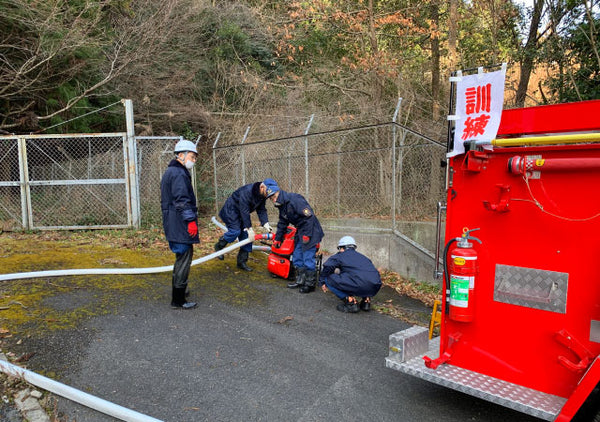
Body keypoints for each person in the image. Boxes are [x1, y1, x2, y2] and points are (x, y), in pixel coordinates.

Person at [160, 139, 200, 309]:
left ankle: (180, 292)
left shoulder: (173, 171)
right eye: (192, 156)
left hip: (174, 221)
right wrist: (190, 221)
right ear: (181, 155)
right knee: (184, 257)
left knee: (181, 257)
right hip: (180, 222)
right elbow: (182, 200)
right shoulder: (178, 173)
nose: (194, 160)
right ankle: (178, 300)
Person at [214, 178, 278, 271]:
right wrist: (249, 228)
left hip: (241, 213)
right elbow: (244, 211)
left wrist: (265, 223)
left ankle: (241, 262)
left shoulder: (263, 194)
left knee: (246, 237)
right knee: (235, 231)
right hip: (231, 211)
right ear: (262, 187)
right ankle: (219, 246)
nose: (268, 196)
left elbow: (261, 209)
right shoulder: (247, 192)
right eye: (268, 192)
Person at [269, 188, 324, 293]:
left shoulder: (295, 199)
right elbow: (282, 223)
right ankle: (300, 280)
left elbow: (309, 217)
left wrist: (307, 235)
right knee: (297, 256)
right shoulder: (282, 206)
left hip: (310, 229)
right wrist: (278, 239)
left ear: (279, 193)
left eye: (274, 197)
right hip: (300, 230)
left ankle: (310, 284)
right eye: (271, 199)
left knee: (308, 257)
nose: (274, 200)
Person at [320, 236, 382, 313]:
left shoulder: (340, 256)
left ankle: (351, 302)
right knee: (362, 277)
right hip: (375, 286)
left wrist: (322, 281)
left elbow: (328, 266)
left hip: (359, 285)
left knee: (328, 279)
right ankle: (366, 301)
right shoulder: (363, 257)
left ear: (341, 248)